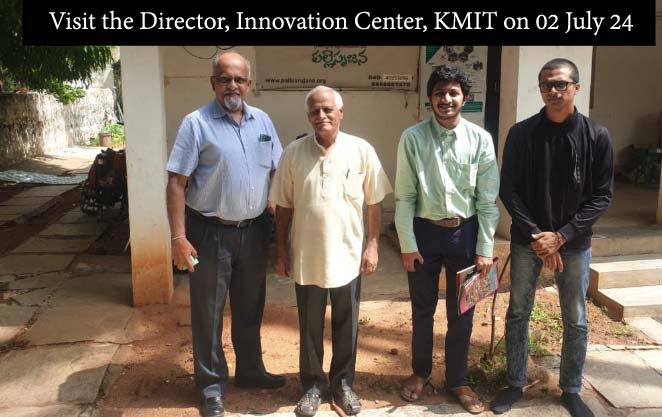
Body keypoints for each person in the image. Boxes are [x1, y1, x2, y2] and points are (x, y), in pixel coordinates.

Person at [491, 58, 614, 417]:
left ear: (577, 87)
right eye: (546, 84)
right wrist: (537, 235)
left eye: (561, 84)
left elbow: (602, 196)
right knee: (518, 311)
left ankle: (571, 389)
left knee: (575, 317)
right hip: (527, 240)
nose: (553, 90)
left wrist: (561, 236)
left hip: (574, 245)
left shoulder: (597, 136)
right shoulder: (521, 133)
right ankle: (515, 382)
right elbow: (509, 189)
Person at [166, 51, 285, 417]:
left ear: (249, 84)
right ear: (213, 83)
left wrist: (275, 212)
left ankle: (250, 371)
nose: (232, 85)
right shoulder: (196, 123)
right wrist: (178, 237)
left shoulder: (263, 120)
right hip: (209, 233)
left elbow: (277, 171)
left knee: (250, 306)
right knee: (209, 312)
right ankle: (211, 386)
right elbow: (176, 183)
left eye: (239, 79)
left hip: (254, 232)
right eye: (225, 79)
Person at [270, 86, 392, 417]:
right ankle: (312, 386)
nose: (321, 115)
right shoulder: (293, 153)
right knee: (309, 326)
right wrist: (281, 250)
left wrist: (373, 245)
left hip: (349, 256)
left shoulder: (361, 150)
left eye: (327, 110)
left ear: (341, 112)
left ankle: (342, 384)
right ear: (308, 116)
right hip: (307, 257)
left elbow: (374, 202)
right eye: (315, 111)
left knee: (346, 324)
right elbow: (283, 206)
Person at [394, 65, 500, 414]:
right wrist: (407, 245)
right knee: (422, 309)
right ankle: (420, 372)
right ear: (430, 98)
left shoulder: (480, 140)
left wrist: (485, 248)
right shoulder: (412, 138)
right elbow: (404, 197)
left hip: (465, 235)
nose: (446, 99)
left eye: (453, 92)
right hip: (424, 233)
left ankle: (457, 379)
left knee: (463, 312)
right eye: (439, 92)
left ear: (465, 98)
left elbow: (487, 201)